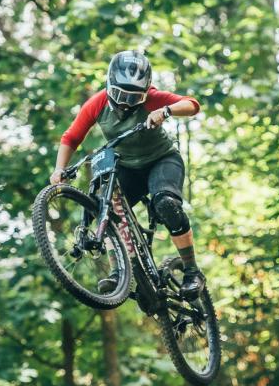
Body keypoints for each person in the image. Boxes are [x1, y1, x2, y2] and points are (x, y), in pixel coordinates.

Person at [51, 50, 205, 298]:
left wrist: (165, 111)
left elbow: (192, 105)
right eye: (120, 95)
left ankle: (191, 271)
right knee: (105, 209)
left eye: (133, 98)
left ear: (145, 93)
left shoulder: (153, 98)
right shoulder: (98, 103)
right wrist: (59, 169)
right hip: (128, 167)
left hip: (162, 160)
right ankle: (118, 272)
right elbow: (71, 137)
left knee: (166, 204)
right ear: (109, 86)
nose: (124, 103)